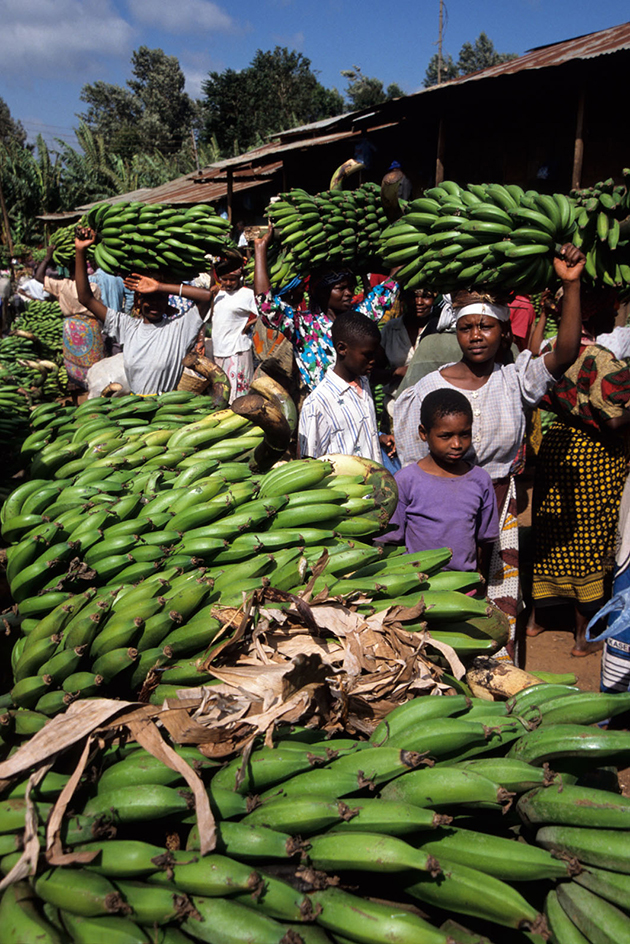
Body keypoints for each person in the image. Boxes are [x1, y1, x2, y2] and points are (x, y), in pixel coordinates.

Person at [393, 245, 586, 661]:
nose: (476, 336)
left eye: (486, 327)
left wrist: (571, 285)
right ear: (456, 332)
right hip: (441, 513)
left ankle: (495, 683)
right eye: (467, 328)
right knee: (441, 603)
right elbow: (413, 466)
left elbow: (566, 351)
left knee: (497, 605)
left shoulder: (515, 380)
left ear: (503, 332)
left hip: (500, 506)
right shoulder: (426, 392)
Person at [528, 287, 630, 657]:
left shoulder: (554, 351)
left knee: (551, 536)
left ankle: (537, 620)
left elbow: (529, 353)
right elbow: (616, 420)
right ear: (599, 313)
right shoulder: (600, 359)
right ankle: (582, 636)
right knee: (586, 540)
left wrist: (541, 315)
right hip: (594, 456)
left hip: (559, 446)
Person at [254, 225, 397, 394]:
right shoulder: (305, 326)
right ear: (320, 291)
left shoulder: (358, 318)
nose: (349, 293)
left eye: (351, 287)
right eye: (341, 288)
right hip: (323, 407)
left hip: (360, 403)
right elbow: (267, 305)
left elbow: (390, 287)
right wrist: (260, 250)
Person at [74, 227, 208, 396]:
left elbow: (206, 296)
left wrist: (159, 286)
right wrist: (80, 250)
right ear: (139, 300)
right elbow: (85, 298)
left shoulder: (179, 328)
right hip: (135, 408)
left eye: (160, 298)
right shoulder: (127, 326)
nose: (154, 304)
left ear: (167, 301)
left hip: (167, 409)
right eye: (148, 298)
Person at [380, 389, 499, 572]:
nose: (457, 444)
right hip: (417, 587)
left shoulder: (480, 480)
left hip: (464, 588)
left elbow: (485, 539)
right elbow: (391, 540)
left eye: (465, 434)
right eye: (446, 436)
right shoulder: (406, 481)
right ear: (423, 433)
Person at [298, 312, 385, 462]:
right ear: (342, 349)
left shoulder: (363, 382)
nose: (373, 361)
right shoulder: (317, 404)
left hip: (373, 480)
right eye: (367, 355)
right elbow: (308, 462)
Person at [34, 242, 104, 388]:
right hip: (89, 328)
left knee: (74, 363)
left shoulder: (63, 285)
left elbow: (38, 276)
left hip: (71, 329)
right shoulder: (93, 287)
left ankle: (75, 389)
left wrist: (47, 258)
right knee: (94, 365)